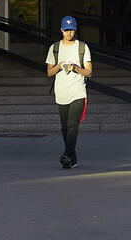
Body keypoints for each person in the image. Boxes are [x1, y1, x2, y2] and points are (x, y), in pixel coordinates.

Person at [44, 15, 92, 169]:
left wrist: (76, 68)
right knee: (64, 127)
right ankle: (72, 156)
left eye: (71, 30)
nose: (69, 33)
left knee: (72, 125)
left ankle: (66, 154)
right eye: (66, 30)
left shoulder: (82, 47)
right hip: (61, 92)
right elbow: (49, 72)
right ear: (61, 30)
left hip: (78, 92)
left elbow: (89, 72)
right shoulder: (55, 48)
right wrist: (59, 66)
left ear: (75, 30)